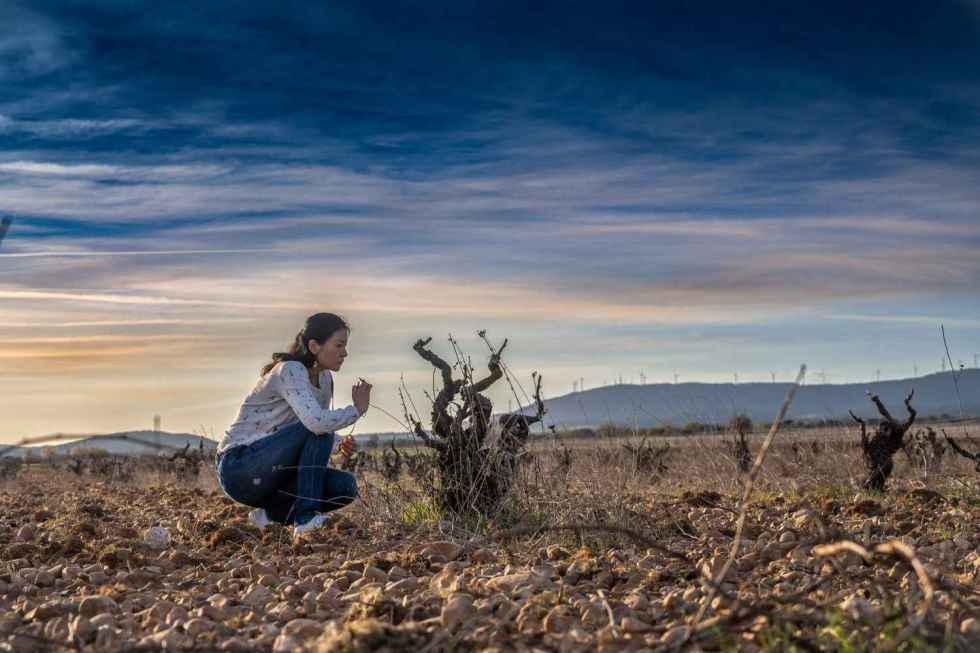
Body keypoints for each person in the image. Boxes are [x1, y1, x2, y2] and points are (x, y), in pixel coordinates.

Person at [216, 312, 372, 536]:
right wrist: (357, 410)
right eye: (339, 345)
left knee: (345, 487)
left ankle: (270, 514)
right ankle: (305, 518)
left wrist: (338, 444)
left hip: (273, 474)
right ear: (314, 346)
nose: (344, 353)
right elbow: (316, 424)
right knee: (319, 429)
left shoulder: (325, 379)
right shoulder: (290, 370)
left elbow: (305, 423)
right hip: (239, 467)